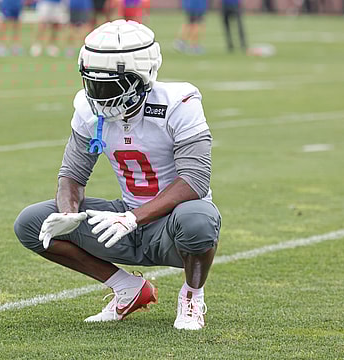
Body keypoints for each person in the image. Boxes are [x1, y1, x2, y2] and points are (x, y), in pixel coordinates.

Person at [14, 20, 221, 331]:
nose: (99, 95)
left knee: (199, 219)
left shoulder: (178, 103)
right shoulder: (88, 108)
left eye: (110, 85)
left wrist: (133, 218)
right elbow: (71, 175)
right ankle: (128, 288)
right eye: (93, 83)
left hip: (170, 227)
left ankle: (192, 296)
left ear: (141, 77)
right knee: (32, 223)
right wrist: (69, 213)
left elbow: (195, 180)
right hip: (125, 218)